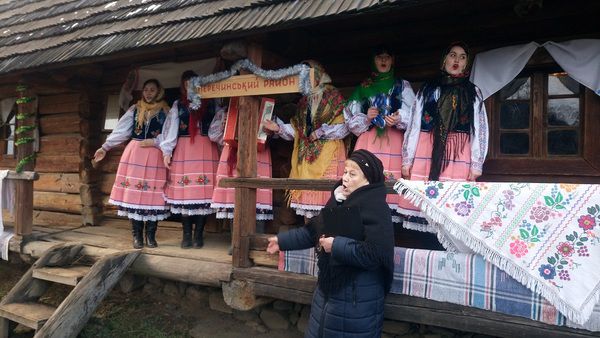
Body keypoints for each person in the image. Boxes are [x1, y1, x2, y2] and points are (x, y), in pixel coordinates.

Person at [266, 149, 394, 338]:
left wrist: (336, 246)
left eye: (353, 174)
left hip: (357, 299)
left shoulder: (377, 209)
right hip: (328, 293)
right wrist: (282, 241)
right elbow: (313, 232)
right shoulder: (338, 202)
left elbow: (375, 254)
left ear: (368, 179)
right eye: (344, 172)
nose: (345, 178)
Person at [400, 42, 489, 228]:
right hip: (427, 148)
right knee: (426, 204)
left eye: (462, 57)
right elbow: (415, 123)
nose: (457, 60)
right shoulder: (428, 88)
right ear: (444, 59)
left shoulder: (473, 92)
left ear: (466, 63)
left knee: (451, 206)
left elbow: (479, 128)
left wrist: (476, 162)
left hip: (458, 152)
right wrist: (407, 159)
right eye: (452, 55)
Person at [263, 61, 348, 219]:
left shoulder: (333, 96)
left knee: (327, 199)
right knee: (308, 201)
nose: (305, 80)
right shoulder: (304, 102)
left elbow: (344, 126)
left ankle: (327, 240)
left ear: (317, 75)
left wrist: (321, 132)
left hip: (329, 153)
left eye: (308, 75)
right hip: (306, 156)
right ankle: (310, 238)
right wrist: (278, 128)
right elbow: (298, 130)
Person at [93, 78, 171, 249]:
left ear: (158, 91)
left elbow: (170, 134)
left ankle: (150, 235)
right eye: (146, 89)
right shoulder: (134, 109)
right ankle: (137, 236)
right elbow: (121, 131)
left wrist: (155, 142)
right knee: (135, 195)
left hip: (155, 155)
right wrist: (104, 147)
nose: (148, 93)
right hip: (135, 154)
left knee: (153, 195)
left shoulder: (166, 111)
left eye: (152, 90)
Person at [344, 46, 415, 223]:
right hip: (369, 141)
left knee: (392, 183)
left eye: (387, 57)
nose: (383, 61)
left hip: (394, 140)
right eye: (379, 57)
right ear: (373, 61)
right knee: (365, 177)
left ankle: (390, 228)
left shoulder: (402, 85)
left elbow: (415, 114)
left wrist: (399, 118)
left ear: (393, 60)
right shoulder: (364, 87)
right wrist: (366, 118)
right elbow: (349, 120)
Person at [161, 71, 220, 249]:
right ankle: (186, 234)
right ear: (183, 86)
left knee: (202, 194)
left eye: (193, 83)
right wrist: (167, 150)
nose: (190, 87)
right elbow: (171, 129)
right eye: (187, 84)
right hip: (184, 150)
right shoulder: (178, 105)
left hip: (206, 149)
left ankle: (198, 234)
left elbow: (218, 126)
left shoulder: (212, 103)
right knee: (185, 194)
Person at [209, 100, 273, 221]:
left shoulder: (267, 109)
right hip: (233, 153)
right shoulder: (228, 111)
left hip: (258, 153)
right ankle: (236, 237)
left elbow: (278, 132)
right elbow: (213, 134)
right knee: (233, 196)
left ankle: (255, 235)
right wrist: (224, 131)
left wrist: (273, 130)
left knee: (258, 194)